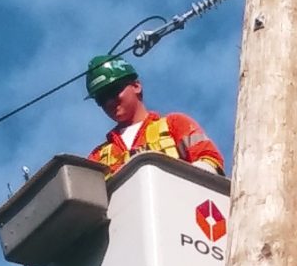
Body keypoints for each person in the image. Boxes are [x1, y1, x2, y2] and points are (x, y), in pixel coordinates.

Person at [84, 55, 226, 176]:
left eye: (113, 91)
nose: (109, 102)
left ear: (136, 86)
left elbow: (210, 160)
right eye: (101, 98)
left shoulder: (174, 124)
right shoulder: (98, 157)